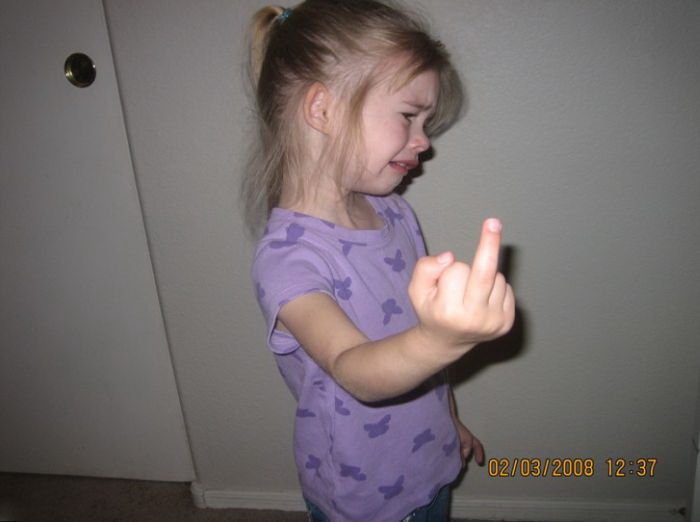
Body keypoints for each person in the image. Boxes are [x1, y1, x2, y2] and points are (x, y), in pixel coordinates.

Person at [244, 1, 515, 520]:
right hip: (363, 495)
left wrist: (446, 420)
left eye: (426, 121)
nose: (424, 142)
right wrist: (442, 339)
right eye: (409, 116)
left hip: (428, 460)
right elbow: (355, 369)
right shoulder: (288, 259)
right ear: (322, 110)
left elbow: (415, 346)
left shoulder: (393, 213)